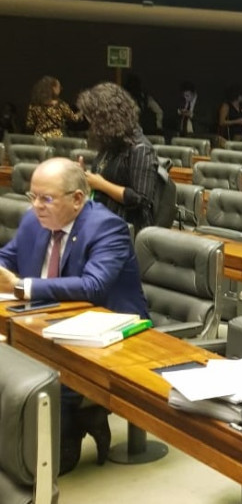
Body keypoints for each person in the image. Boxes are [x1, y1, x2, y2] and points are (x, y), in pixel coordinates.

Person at [0, 157, 148, 475]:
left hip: (108, 331)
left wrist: (24, 286)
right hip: (48, 318)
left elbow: (94, 286)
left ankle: (68, 432)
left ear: (77, 199)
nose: (36, 206)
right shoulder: (34, 221)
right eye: (33, 196)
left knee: (48, 376)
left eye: (46, 198)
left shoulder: (107, 227)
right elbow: (7, 257)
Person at [76, 82, 162, 234]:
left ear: (107, 117)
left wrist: (101, 184)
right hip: (103, 218)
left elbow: (140, 199)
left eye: (93, 117)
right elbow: (106, 176)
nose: (90, 122)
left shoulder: (141, 149)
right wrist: (85, 177)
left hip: (127, 228)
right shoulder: (111, 142)